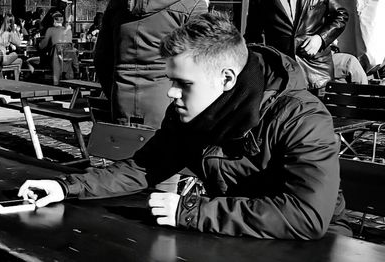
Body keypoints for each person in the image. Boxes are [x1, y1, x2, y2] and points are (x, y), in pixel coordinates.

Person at [18, 12, 351, 239]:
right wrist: (65, 187)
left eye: (183, 82)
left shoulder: (301, 117)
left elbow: (307, 216)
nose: (171, 92)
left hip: (313, 247)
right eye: (170, 79)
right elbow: (144, 167)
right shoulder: (189, 113)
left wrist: (189, 211)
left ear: (226, 78)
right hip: (234, 240)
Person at [94, 0, 208, 129]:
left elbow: (102, 58)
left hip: (123, 97)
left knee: (125, 144)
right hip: (169, 97)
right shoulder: (191, 4)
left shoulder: (117, 5)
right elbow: (201, 62)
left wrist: (115, 90)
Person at [244, 0, 349, 95]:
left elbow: (341, 15)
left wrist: (320, 38)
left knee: (318, 113)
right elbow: (253, 35)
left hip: (316, 71)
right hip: (282, 70)